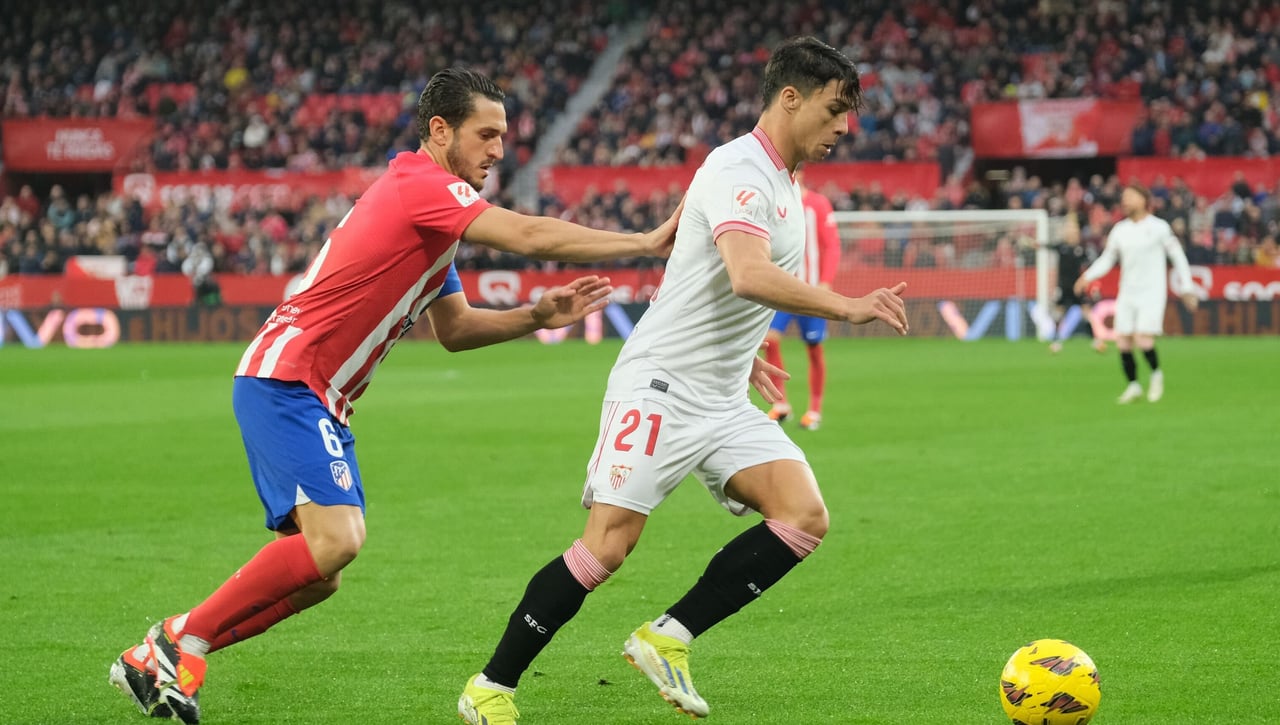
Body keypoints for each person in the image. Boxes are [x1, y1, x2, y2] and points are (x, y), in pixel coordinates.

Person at [108, 67, 680, 724]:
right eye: (486, 134)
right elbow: (524, 235)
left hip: (314, 394)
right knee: (338, 539)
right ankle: (174, 643)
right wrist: (643, 242)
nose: (499, 149)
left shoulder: (437, 217)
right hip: (286, 377)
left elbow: (456, 330)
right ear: (440, 131)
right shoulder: (421, 185)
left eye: (503, 136)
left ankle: (176, 645)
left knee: (322, 574)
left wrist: (533, 316)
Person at [457, 36, 908, 725]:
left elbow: (723, 284)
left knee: (804, 515)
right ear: (791, 98)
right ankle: (490, 686)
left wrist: (745, 344)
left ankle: (667, 635)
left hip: (721, 394)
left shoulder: (788, 182)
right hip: (661, 386)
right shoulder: (738, 169)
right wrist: (845, 303)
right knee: (607, 545)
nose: (846, 126)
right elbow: (748, 273)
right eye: (835, 108)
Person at [1074, 183, 1197, 404]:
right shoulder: (1120, 230)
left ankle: (1156, 375)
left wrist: (1187, 288)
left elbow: (1177, 257)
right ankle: (1133, 386)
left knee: (1143, 339)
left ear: (1144, 200)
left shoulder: (1159, 227)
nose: (1125, 201)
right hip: (1128, 292)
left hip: (1152, 292)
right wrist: (1088, 276)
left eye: (1130, 196)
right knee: (1123, 341)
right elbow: (1107, 259)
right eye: (1124, 197)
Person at [761, 167, 840, 429]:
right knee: (770, 341)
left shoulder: (818, 204)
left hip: (811, 290)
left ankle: (815, 410)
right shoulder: (774, 204)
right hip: (783, 289)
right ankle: (781, 404)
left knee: (814, 348)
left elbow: (831, 245)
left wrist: (826, 281)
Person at [1047, 213, 1106, 354]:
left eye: (1073, 231)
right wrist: (1033, 244)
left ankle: (1096, 341)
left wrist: (1094, 285)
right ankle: (1056, 342)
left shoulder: (1082, 249)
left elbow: (1091, 267)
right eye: (1068, 230)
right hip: (1064, 287)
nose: (1071, 233)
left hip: (1078, 287)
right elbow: (1045, 246)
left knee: (1086, 313)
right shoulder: (1061, 247)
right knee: (1059, 314)